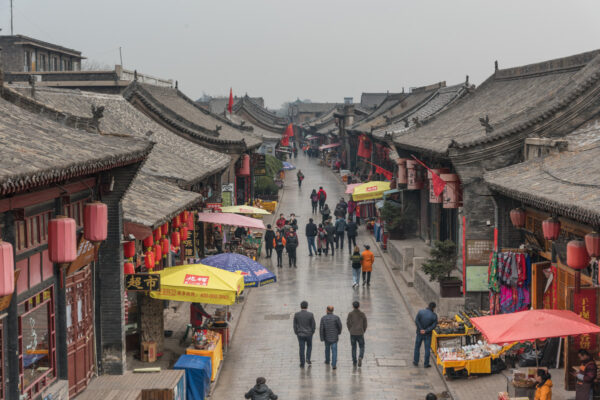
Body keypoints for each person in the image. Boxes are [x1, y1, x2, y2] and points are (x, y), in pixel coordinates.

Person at [413, 302, 438, 368]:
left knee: (417, 347)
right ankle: (426, 364)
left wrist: (421, 329)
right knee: (427, 349)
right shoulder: (434, 316)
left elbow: (416, 320)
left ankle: (416, 361)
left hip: (419, 333)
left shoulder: (421, 312)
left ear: (428, 305)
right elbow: (433, 326)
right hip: (428, 334)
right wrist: (426, 330)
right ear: (434, 308)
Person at [293, 301, 316, 368]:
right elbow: (313, 325)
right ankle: (308, 358)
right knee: (309, 346)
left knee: (301, 348)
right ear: (307, 306)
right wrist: (312, 332)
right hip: (309, 334)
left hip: (300, 334)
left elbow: (294, 325)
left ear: (301, 306)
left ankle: (302, 363)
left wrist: (296, 332)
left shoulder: (297, 314)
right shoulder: (310, 314)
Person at [319, 306, 342, 370]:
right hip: (334, 337)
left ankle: (327, 360)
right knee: (334, 351)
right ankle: (334, 364)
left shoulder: (323, 318)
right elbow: (340, 326)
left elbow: (321, 329)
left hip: (327, 337)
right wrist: (338, 332)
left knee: (327, 349)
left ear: (327, 310)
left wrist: (322, 337)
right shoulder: (336, 318)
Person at [346, 301, 367, 367]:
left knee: (353, 347)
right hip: (360, 333)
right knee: (362, 346)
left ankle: (354, 361)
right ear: (359, 306)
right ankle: (360, 357)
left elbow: (348, 323)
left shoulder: (350, 314)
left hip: (353, 333)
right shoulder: (362, 314)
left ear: (353, 306)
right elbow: (365, 323)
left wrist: (350, 330)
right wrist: (363, 330)